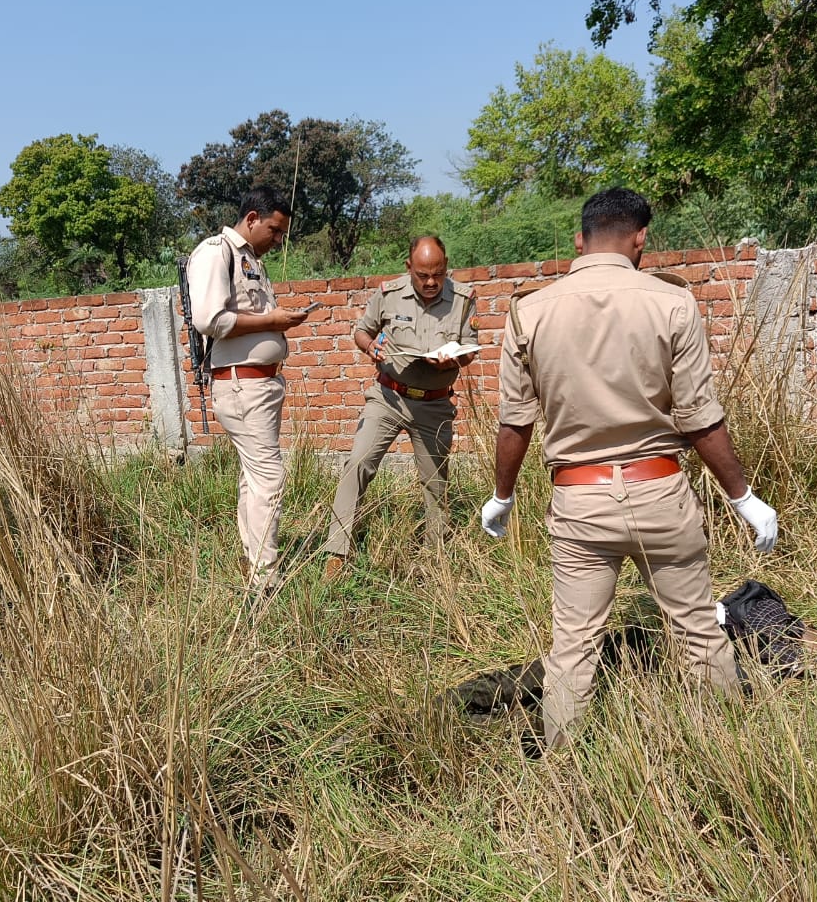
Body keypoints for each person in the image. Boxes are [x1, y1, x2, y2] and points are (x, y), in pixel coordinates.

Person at [480, 188, 778, 750]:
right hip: (660, 491)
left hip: (579, 500)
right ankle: (729, 762)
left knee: (573, 645)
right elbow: (699, 419)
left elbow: (515, 422)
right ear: (641, 238)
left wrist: (503, 494)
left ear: (579, 239)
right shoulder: (672, 303)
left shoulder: (530, 309)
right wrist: (743, 496)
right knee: (696, 629)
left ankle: (564, 778)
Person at [323, 236, 477, 575]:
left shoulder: (463, 300)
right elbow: (361, 331)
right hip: (388, 397)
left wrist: (451, 359)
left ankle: (436, 558)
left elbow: (470, 349)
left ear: (446, 265)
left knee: (436, 482)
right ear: (409, 268)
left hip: (434, 404)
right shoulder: (388, 294)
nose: (431, 282)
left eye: (438, 273)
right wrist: (369, 348)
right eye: (423, 275)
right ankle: (338, 551)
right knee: (357, 463)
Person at [186, 187, 308, 591]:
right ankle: (264, 581)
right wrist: (274, 320)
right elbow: (210, 319)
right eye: (274, 230)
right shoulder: (215, 251)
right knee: (270, 478)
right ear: (252, 218)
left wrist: (276, 321)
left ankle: (254, 560)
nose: (278, 240)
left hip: (260, 385)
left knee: (255, 477)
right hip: (242, 386)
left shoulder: (250, 259)